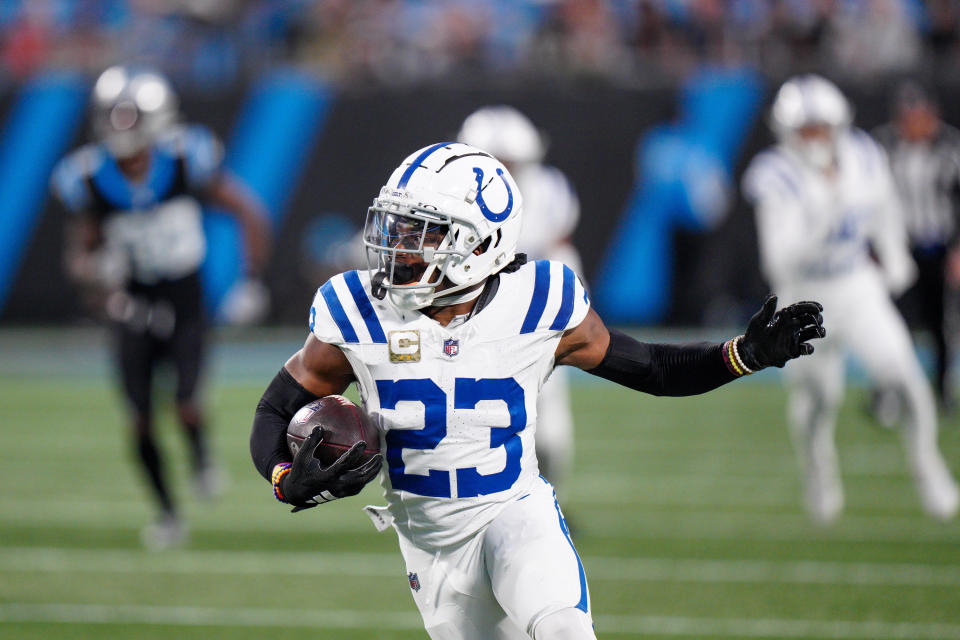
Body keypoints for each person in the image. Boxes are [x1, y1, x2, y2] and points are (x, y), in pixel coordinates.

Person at [250, 141, 824, 639]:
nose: (399, 247)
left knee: (564, 627)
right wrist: (283, 475)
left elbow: (650, 367)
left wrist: (744, 355)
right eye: (398, 227)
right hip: (428, 543)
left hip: (513, 511)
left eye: (423, 234)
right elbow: (277, 408)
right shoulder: (355, 310)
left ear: (481, 245)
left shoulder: (540, 301)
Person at [51, 66, 270, 549]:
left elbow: (247, 212)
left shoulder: (184, 159)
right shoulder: (89, 177)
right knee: (139, 420)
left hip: (185, 298)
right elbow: (80, 255)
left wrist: (250, 279)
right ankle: (168, 514)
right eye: (116, 118)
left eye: (132, 119)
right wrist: (98, 277)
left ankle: (200, 456)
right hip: (133, 303)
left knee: (187, 406)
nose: (123, 129)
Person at [742, 74, 959, 525]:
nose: (815, 139)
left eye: (821, 128)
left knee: (907, 378)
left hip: (856, 281)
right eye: (805, 130)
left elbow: (885, 207)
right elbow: (777, 260)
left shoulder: (863, 154)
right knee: (821, 398)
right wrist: (822, 212)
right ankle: (819, 470)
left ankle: (927, 465)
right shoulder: (775, 174)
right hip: (804, 294)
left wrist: (895, 255)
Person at [457, 105, 582, 496]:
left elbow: (562, 256)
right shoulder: (452, 195)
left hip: (535, 316)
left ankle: (547, 500)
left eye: (514, 161)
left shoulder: (547, 189)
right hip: (474, 321)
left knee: (550, 427)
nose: (509, 170)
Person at [873, 81, 960, 411]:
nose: (913, 124)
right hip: (899, 248)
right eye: (907, 117)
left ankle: (942, 393)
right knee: (894, 323)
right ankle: (891, 392)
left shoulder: (950, 149)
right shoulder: (884, 148)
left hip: (938, 247)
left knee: (941, 325)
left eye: (919, 116)